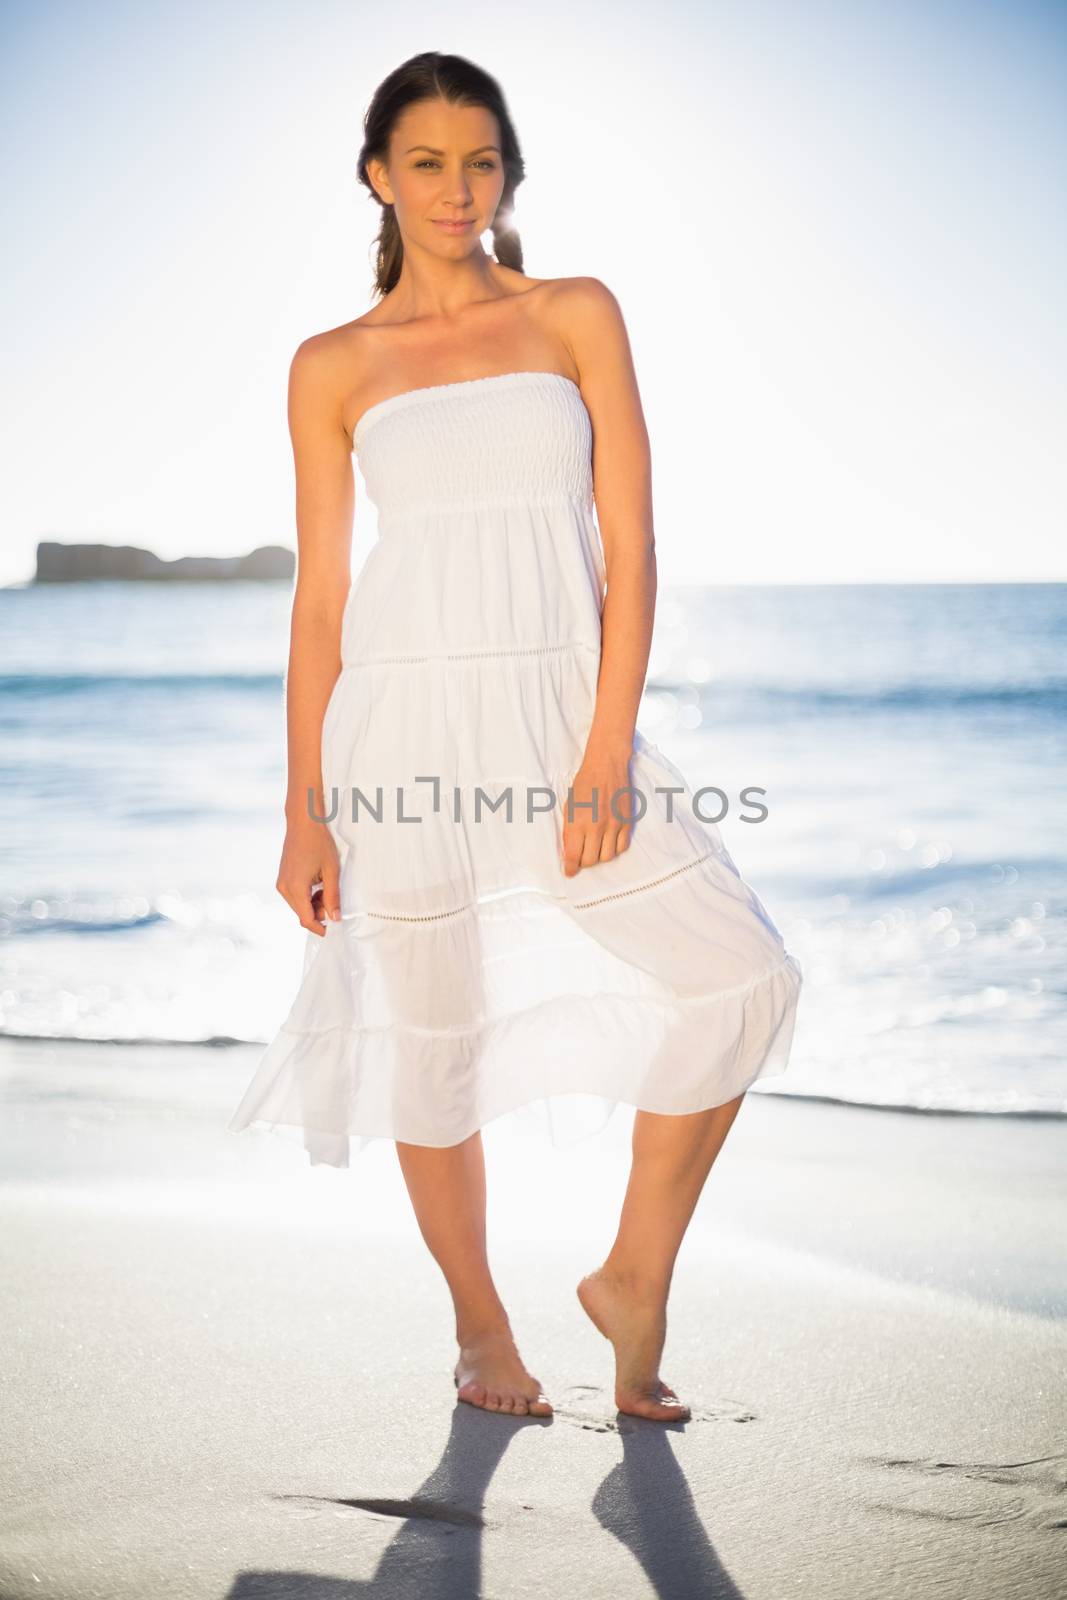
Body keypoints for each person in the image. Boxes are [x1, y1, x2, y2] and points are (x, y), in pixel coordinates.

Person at [227, 51, 803, 1424]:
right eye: (424, 161)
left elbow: (633, 545)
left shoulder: (575, 315)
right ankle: (483, 1333)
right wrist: (304, 807)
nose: (454, 187)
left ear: (508, 174)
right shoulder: (333, 366)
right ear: (378, 175)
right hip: (401, 726)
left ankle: (631, 1276)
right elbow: (322, 600)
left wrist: (607, 749)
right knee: (436, 1047)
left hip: (558, 720)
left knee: (743, 980)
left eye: (478, 160)